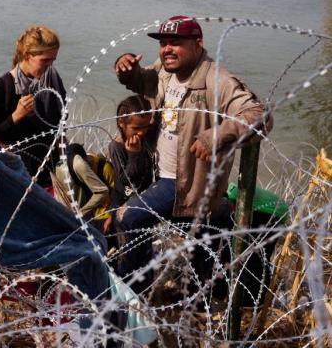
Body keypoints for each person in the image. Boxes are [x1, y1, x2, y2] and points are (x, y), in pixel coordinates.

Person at [113, 15, 273, 293]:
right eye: (163, 43)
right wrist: (124, 67)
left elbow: (259, 116)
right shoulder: (164, 72)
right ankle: (195, 296)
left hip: (184, 182)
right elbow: (141, 81)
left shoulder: (218, 80)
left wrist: (216, 135)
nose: (167, 49)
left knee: (130, 217)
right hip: (159, 174)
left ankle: (129, 295)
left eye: (176, 42)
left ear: (198, 43)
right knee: (202, 244)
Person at [0, 25, 66, 187]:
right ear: (28, 55)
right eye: (45, 60)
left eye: (53, 60)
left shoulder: (51, 79)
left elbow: (62, 116)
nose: (50, 65)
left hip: (48, 163)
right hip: (16, 168)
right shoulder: (2, 87)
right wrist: (17, 115)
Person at [53, 143, 113, 233]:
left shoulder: (103, 167)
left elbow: (118, 192)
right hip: (91, 217)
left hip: (105, 215)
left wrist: (112, 215)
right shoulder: (71, 171)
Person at [108, 95, 155, 209]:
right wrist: (134, 155)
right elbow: (126, 181)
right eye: (136, 128)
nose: (141, 132)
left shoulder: (147, 138)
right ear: (121, 122)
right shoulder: (116, 147)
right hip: (123, 203)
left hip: (145, 197)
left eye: (146, 126)